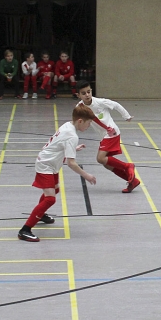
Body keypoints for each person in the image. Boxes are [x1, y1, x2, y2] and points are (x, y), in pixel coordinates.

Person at [18, 104, 98, 242]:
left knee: (54, 191)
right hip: (46, 165)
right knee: (50, 199)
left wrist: (73, 149)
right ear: (80, 121)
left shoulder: (67, 125)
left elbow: (58, 143)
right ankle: (25, 230)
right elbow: (71, 163)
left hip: (51, 163)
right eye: (88, 123)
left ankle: (41, 214)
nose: (89, 126)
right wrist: (87, 175)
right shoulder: (72, 136)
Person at [76, 80, 140, 193]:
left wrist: (126, 116)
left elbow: (115, 105)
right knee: (106, 164)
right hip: (104, 135)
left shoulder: (100, 102)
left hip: (111, 133)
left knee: (100, 158)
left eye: (88, 92)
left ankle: (128, 166)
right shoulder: (79, 107)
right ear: (78, 95)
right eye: (83, 93)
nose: (87, 95)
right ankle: (132, 181)